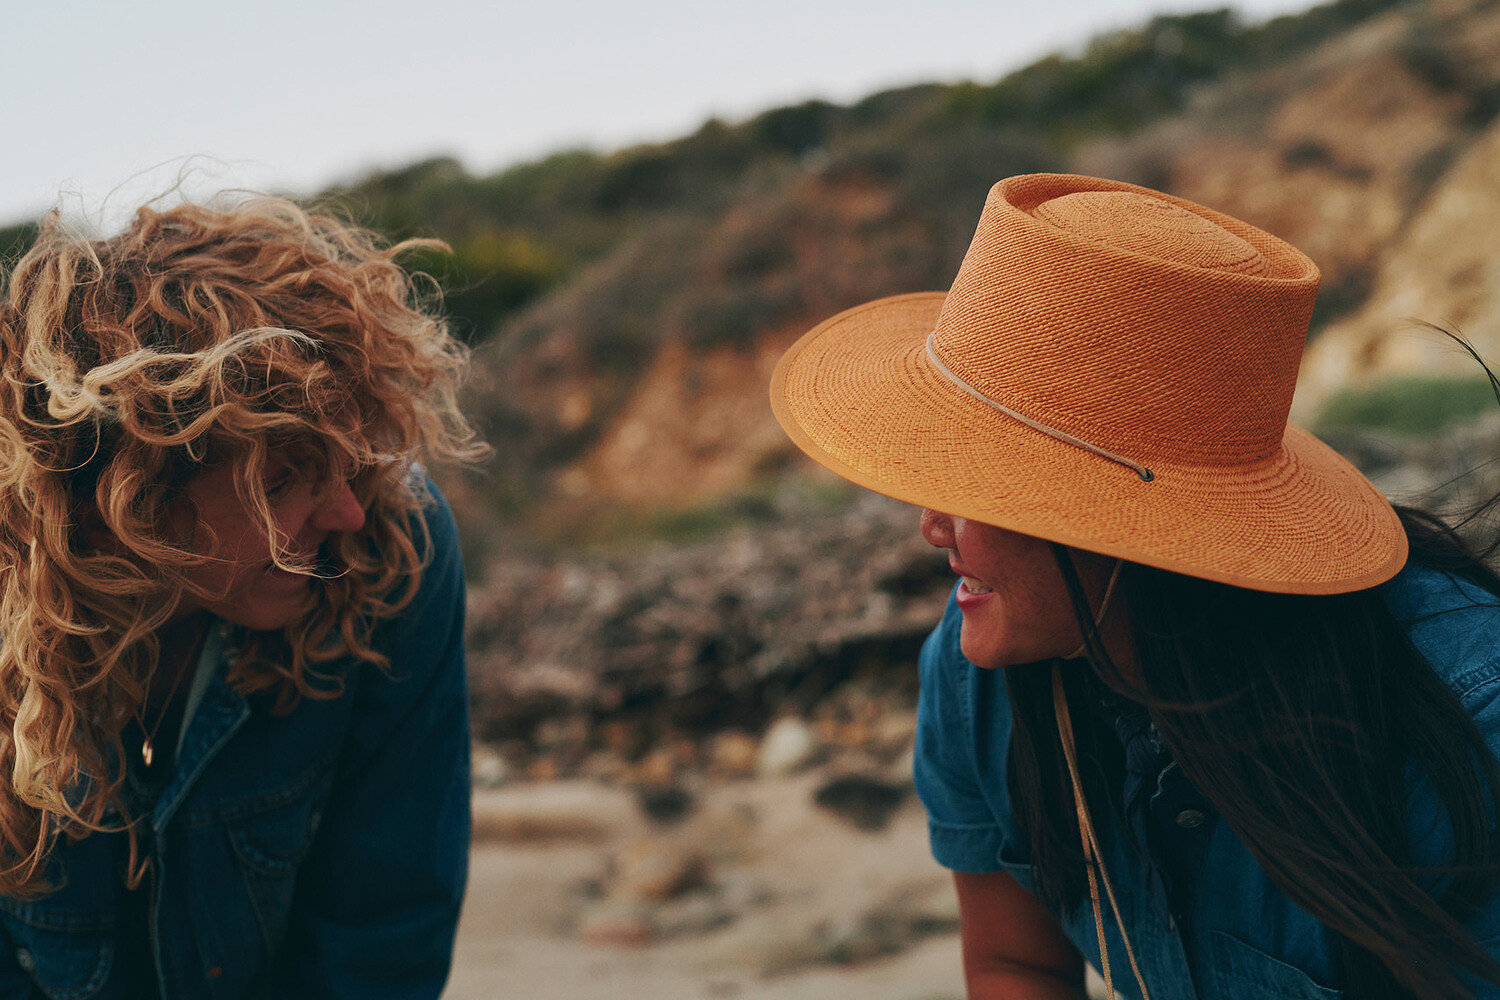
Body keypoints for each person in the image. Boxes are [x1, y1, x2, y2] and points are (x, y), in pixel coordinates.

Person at [770, 173, 1500, 1000]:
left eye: (977, 483)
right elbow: (1016, 965)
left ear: (1121, 531)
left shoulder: (1468, 720)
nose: (932, 526)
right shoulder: (977, 671)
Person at [0, 196, 487, 998]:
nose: (346, 511)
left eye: (348, 459)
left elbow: (387, 927)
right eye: (288, 480)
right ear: (122, 503)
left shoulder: (392, 547)